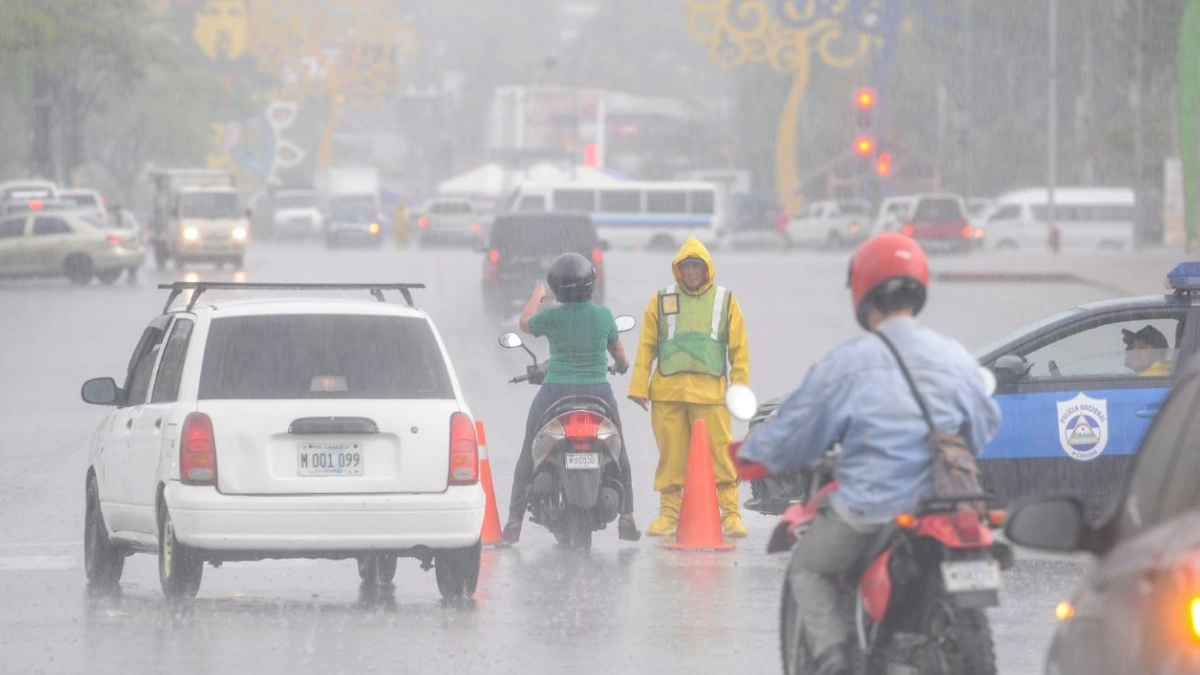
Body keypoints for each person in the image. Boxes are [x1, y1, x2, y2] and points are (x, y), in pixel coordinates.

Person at [736, 232, 1001, 675]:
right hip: (948, 504)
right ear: (918, 286)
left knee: (808, 568)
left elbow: (796, 435)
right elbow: (985, 427)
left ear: (862, 291)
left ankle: (838, 660)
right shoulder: (954, 356)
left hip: (874, 506)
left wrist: (751, 455)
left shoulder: (850, 362)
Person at [503, 252, 641, 544]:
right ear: (590, 283)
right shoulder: (603, 315)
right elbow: (618, 353)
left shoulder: (552, 317)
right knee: (619, 450)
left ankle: (514, 520)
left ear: (556, 287)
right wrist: (621, 366)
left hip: (555, 392)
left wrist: (536, 297)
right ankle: (627, 517)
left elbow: (525, 323)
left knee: (529, 449)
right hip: (597, 392)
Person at [627, 237, 751, 538]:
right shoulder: (661, 299)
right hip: (668, 393)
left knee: (721, 454)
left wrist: (740, 388)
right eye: (686, 266)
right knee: (671, 455)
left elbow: (739, 349)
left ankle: (730, 514)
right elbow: (647, 345)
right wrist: (639, 386)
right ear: (677, 270)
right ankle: (669, 514)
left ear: (707, 268)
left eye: (696, 266)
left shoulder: (725, 300)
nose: (692, 272)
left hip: (711, 395)